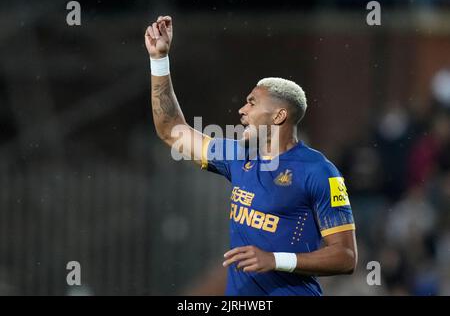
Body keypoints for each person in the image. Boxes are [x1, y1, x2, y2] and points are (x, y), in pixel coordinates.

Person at [145, 15, 357, 296]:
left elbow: (345, 257)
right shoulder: (236, 156)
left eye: (252, 103)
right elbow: (172, 130)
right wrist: (159, 60)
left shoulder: (319, 171)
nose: (241, 111)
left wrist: (275, 259)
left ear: (279, 115)